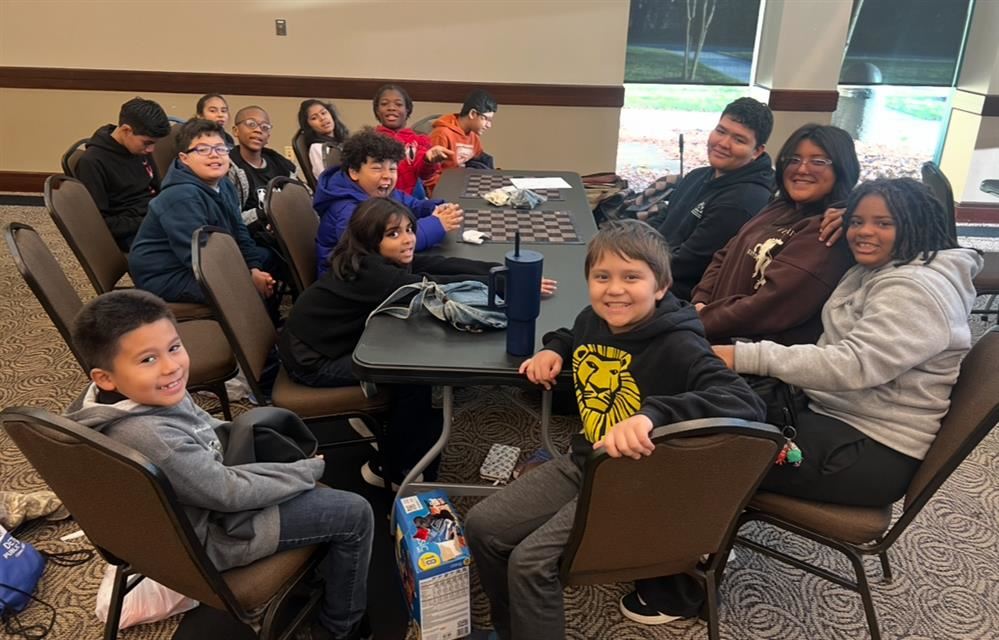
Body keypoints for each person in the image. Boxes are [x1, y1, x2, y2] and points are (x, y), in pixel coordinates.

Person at [622, 178, 983, 626]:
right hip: (834, 417)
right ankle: (700, 535)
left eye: (883, 223)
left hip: (867, 450)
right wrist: (842, 217)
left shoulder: (915, 290)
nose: (864, 232)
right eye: (858, 221)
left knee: (698, 449)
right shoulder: (894, 266)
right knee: (701, 405)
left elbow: (853, 365)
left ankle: (675, 593)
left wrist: (744, 354)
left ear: (915, 226)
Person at [463, 220, 765, 640]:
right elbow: (574, 333)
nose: (615, 289)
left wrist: (653, 415)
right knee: (482, 526)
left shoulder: (679, 344)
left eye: (631, 277)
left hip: (636, 482)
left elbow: (744, 401)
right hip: (587, 460)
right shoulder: (594, 318)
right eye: (602, 277)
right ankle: (513, 629)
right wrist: (554, 349)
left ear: (660, 287)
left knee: (531, 562)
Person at [65, 290, 374, 640]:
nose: (170, 367)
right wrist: (303, 472)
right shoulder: (153, 437)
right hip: (211, 538)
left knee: (276, 450)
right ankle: (342, 629)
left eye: (174, 347)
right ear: (105, 377)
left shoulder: (109, 400)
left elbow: (204, 430)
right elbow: (228, 493)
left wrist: (266, 458)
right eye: (147, 360)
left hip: (187, 510)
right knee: (354, 513)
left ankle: (322, 571)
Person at [281, 197, 555, 486]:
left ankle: (387, 429)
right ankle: (391, 468)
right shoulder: (375, 275)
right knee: (415, 378)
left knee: (417, 371)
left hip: (325, 341)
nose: (408, 239)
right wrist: (508, 283)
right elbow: (438, 284)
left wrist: (501, 271)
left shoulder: (375, 259)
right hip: (312, 360)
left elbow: (440, 263)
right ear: (369, 239)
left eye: (410, 229)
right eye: (393, 234)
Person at [690, 124, 860, 346]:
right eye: (793, 159)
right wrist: (700, 301)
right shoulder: (778, 206)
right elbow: (725, 253)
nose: (802, 169)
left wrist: (701, 319)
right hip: (710, 335)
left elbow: (770, 303)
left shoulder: (830, 228)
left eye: (818, 161)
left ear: (842, 168)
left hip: (752, 362)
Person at [129, 119, 278, 305]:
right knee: (242, 290)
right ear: (184, 158)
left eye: (220, 149)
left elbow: (239, 231)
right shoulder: (181, 196)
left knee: (267, 258)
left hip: (206, 257)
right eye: (202, 150)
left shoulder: (224, 185)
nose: (214, 155)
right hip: (167, 275)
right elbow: (198, 259)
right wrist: (247, 277)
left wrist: (254, 268)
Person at [645, 97, 775, 300]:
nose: (723, 144)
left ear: (757, 151)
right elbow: (662, 222)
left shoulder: (742, 203)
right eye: (721, 131)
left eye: (739, 140)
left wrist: (629, 265)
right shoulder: (698, 175)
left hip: (674, 296)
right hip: (651, 270)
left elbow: (686, 264)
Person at [312, 128, 463, 278]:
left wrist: (435, 208)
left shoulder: (379, 192)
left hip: (378, 271)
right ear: (354, 172)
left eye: (392, 168)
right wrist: (436, 224)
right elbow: (379, 248)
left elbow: (411, 206)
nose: (387, 176)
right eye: (377, 168)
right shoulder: (348, 209)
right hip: (347, 280)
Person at [75, 97, 171, 251]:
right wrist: (150, 220)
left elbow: (156, 188)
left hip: (153, 214)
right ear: (126, 130)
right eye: (147, 143)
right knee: (184, 255)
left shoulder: (137, 147)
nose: (151, 150)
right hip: (131, 232)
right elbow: (101, 224)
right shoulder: (92, 162)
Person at [372, 84, 452, 196]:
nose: (391, 108)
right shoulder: (370, 140)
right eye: (384, 104)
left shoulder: (419, 140)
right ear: (377, 110)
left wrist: (428, 160)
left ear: (407, 110)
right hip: (379, 200)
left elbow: (425, 175)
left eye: (398, 104)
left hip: (411, 201)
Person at [228, 105, 297, 218]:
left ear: (268, 136)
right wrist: (264, 215)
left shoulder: (282, 166)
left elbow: (302, 200)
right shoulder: (229, 168)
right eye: (251, 124)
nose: (258, 130)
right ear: (236, 131)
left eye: (264, 127)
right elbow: (232, 219)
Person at [424, 89, 497, 194]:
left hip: (462, 186)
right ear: (472, 114)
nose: (489, 125)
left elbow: (479, 163)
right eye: (486, 119)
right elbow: (429, 174)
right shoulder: (442, 134)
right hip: (443, 191)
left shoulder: (473, 137)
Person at [298, 99, 350, 182]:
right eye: (314, 118)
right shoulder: (316, 148)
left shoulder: (344, 140)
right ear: (309, 126)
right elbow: (326, 180)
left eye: (323, 113)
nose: (322, 118)